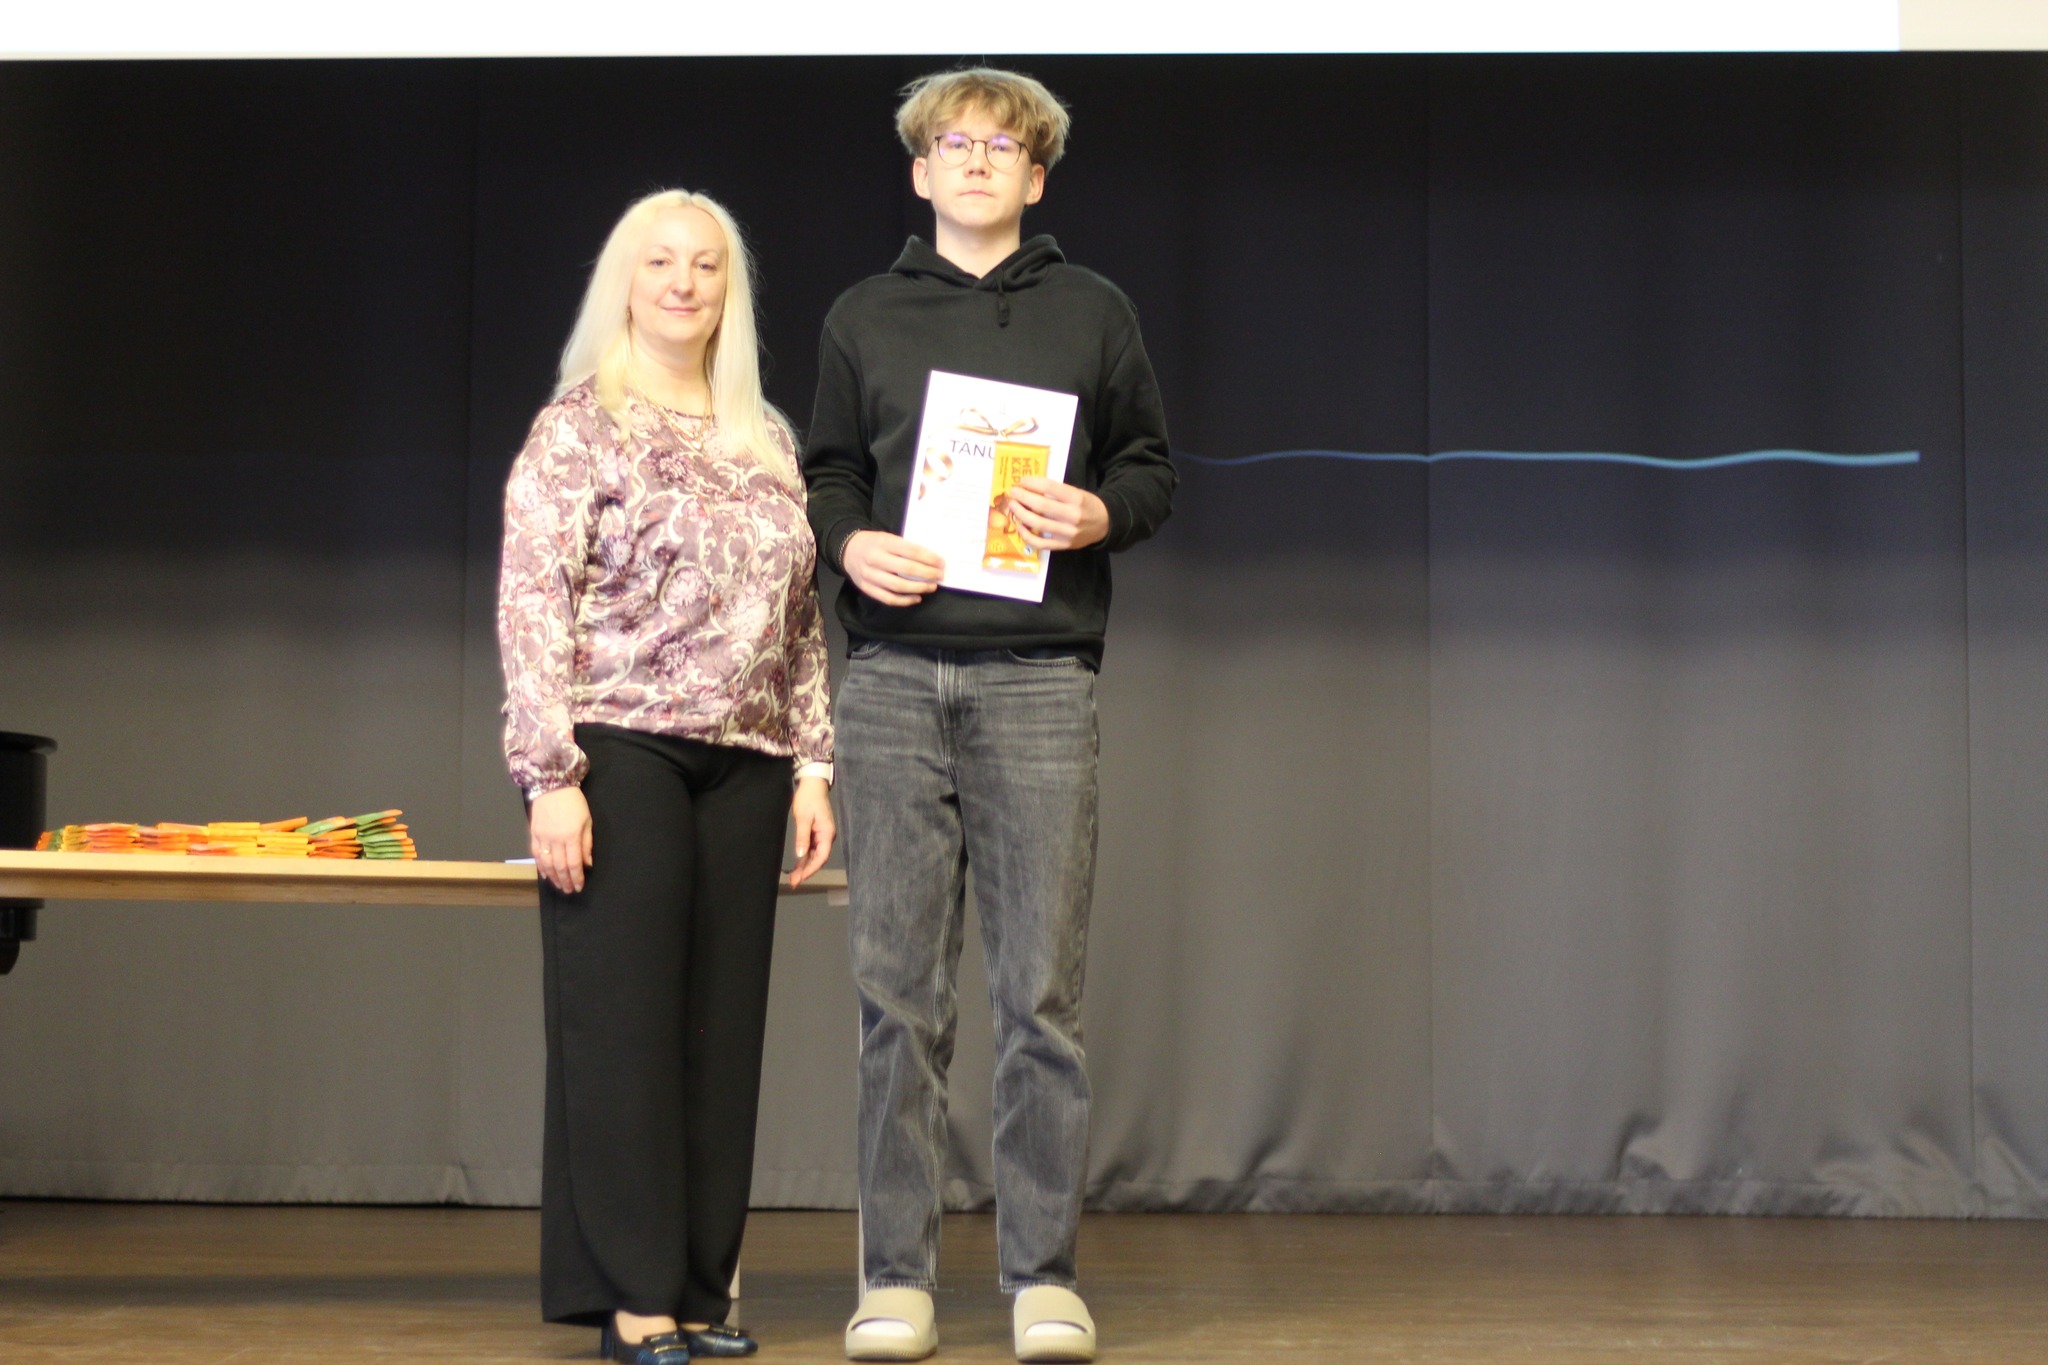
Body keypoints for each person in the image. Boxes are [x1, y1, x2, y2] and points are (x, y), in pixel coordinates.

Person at [803, 68, 1176, 1365]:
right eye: (952, 144)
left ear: (1035, 175)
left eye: (999, 147)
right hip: (892, 679)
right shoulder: (863, 314)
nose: (974, 161)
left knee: (1039, 999)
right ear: (920, 172)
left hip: (1039, 679)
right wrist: (852, 544)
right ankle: (895, 1278)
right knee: (895, 999)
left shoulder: (1094, 310)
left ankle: (1042, 1278)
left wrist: (1098, 512)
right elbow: (828, 473)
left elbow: (1150, 469)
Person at [499, 188, 835, 1365]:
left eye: (705, 264)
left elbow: (801, 619)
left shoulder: (766, 438)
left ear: (727, 289)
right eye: (660, 262)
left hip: (747, 759)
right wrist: (549, 772)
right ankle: (632, 1299)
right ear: (624, 283)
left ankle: (695, 1291)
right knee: (624, 1028)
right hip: (618, 747)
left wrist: (813, 765)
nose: (684, 282)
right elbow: (532, 601)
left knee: (717, 1033)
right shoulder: (578, 426)